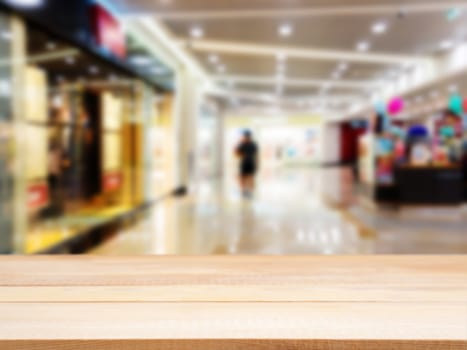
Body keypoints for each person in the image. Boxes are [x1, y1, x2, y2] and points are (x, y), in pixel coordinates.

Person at [235, 130, 259, 197]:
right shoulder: (248, 144)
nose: (245, 137)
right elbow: (237, 153)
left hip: (248, 162)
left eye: (246, 136)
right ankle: (245, 191)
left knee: (249, 177)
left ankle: (249, 191)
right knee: (244, 177)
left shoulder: (245, 144)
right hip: (247, 162)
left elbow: (237, 153)